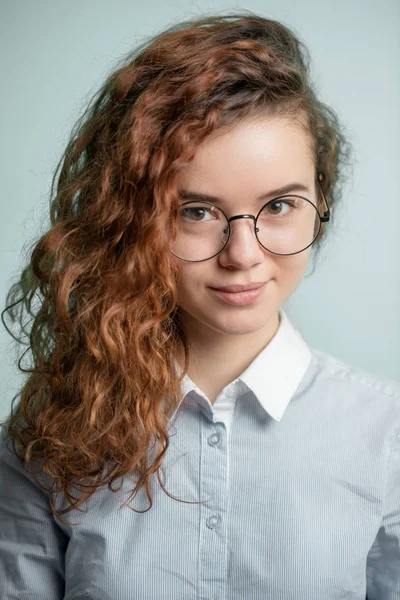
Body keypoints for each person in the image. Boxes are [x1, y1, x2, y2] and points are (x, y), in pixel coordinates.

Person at [0, 11, 399, 600]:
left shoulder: (386, 433)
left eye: (282, 205)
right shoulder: (48, 436)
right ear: (131, 223)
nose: (243, 254)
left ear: (323, 199)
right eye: (196, 212)